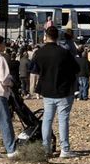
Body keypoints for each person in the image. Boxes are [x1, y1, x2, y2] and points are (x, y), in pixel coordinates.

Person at [31, 29, 79, 157]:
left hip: (47, 90)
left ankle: (46, 149)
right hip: (64, 90)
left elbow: (34, 69)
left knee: (47, 119)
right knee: (63, 120)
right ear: (58, 37)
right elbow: (76, 68)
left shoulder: (39, 52)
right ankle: (65, 149)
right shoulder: (64, 52)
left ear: (46, 37)